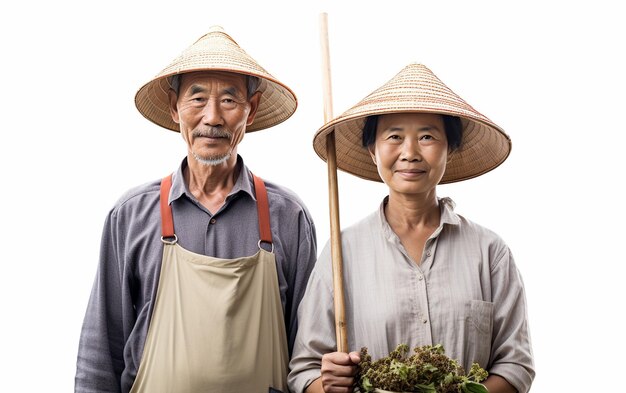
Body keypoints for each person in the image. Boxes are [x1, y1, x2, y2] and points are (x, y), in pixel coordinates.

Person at [75, 26, 317, 393]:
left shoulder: (289, 217)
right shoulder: (132, 215)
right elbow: (99, 354)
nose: (213, 117)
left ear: (251, 111)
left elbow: (308, 356)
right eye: (198, 99)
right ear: (175, 108)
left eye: (230, 100)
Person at [288, 63, 534, 393]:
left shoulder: (489, 252)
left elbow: (515, 364)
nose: (410, 153)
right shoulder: (340, 254)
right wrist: (329, 383)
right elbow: (304, 371)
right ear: (373, 151)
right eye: (394, 136)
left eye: (428, 136)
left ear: (450, 149)